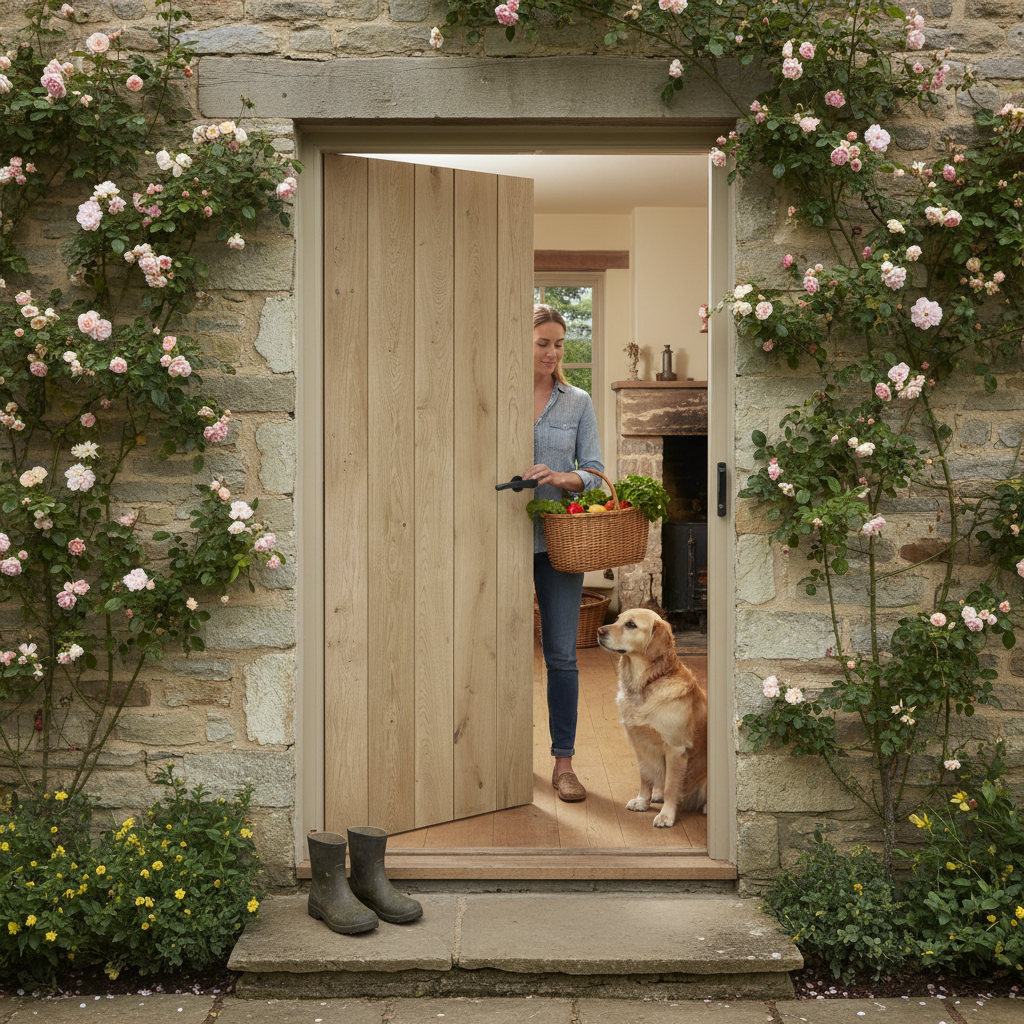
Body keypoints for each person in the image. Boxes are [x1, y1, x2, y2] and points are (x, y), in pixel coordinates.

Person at [522, 304, 604, 803]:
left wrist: (561, 477)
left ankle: (564, 764)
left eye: (558, 344)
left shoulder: (577, 402)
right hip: (495, 540)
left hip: (557, 541)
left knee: (561, 655)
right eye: (542, 343)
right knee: (493, 654)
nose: (552, 352)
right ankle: (493, 762)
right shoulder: (498, 395)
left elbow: (593, 470)